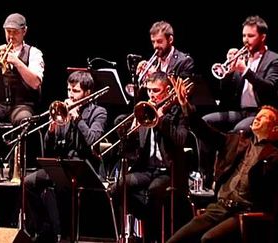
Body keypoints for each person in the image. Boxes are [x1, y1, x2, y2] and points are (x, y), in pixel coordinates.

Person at [166, 73, 278, 243]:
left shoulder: (273, 155)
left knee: (209, 239)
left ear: (275, 129)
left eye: (263, 118)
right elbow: (204, 132)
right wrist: (185, 106)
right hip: (220, 206)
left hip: (245, 210)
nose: (257, 119)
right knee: (176, 240)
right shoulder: (237, 141)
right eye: (258, 115)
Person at [24, 70, 107, 242]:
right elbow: (49, 149)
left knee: (63, 186)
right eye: (69, 90)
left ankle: (68, 235)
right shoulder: (62, 110)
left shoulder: (98, 112)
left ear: (88, 93)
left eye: (75, 91)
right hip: (62, 165)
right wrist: (51, 133)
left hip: (84, 167)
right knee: (27, 183)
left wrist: (78, 120)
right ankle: (45, 230)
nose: (71, 95)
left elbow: (93, 140)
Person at [110, 72, 192, 242]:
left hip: (169, 172)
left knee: (154, 191)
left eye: (156, 91)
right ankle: (124, 236)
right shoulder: (144, 110)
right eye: (149, 91)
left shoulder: (179, 112)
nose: (151, 95)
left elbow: (181, 140)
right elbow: (129, 149)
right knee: (117, 188)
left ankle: (152, 237)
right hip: (146, 169)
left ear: (168, 90)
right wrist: (132, 129)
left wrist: (161, 120)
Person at [205, 15, 278, 133]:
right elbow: (225, 95)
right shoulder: (242, 59)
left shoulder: (273, 60)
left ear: (263, 37)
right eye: (244, 35)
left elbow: (269, 88)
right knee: (205, 122)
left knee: (239, 131)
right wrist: (228, 73)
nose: (245, 40)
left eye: (250, 36)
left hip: (262, 113)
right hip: (240, 112)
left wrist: (245, 71)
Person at [0, 12, 44, 126]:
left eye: (15, 32)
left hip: (22, 105)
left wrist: (17, 62)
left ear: (24, 31)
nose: (11, 36)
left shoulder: (34, 53)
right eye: (8, 32)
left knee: (23, 119)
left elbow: (36, 83)